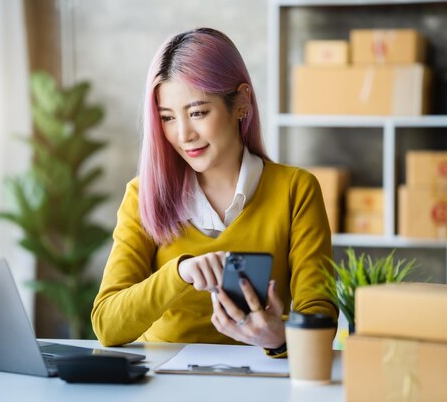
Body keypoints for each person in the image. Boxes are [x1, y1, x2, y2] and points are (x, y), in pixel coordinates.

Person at [91, 27, 337, 357]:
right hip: (166, 386)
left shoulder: (296, 190)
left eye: (198, 113)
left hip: (262, 383)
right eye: (167, 118)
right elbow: (107, 325)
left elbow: (318, 312)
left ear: (241, 102)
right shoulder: (142, 195)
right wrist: (179, 273)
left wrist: (279, 337)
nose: (183, 134)